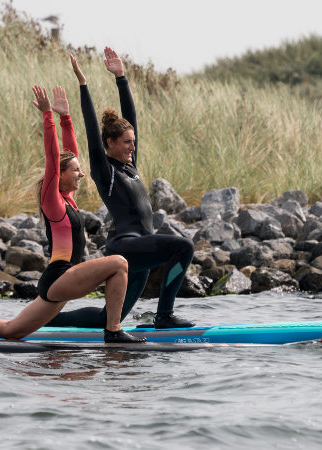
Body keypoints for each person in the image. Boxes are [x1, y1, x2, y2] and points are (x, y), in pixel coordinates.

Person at [0, 85, 145, 344]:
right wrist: (47, 116)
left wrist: (66, 118)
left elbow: (70, 153)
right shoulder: (53, 201)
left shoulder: (68, 199)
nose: (81, 174)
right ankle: (113, 330)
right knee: (119, 263)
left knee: (12, 330)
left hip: (62, 285)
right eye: (75, 171)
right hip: (60, 277)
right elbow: (54, 157)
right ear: (61, 174)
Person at [47, 48, 195, 329]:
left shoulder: (130, 166)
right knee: (184, 247)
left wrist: (121, 77)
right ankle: (164, 316)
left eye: (134, 141)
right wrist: (83, 84)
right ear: (111, 143)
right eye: (126, 142)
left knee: (108, 318)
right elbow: (92, 129)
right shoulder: (106, 172)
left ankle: (47, 321)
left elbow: (131, 116)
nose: (132, 146)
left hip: (140, 252)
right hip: (126, 246)